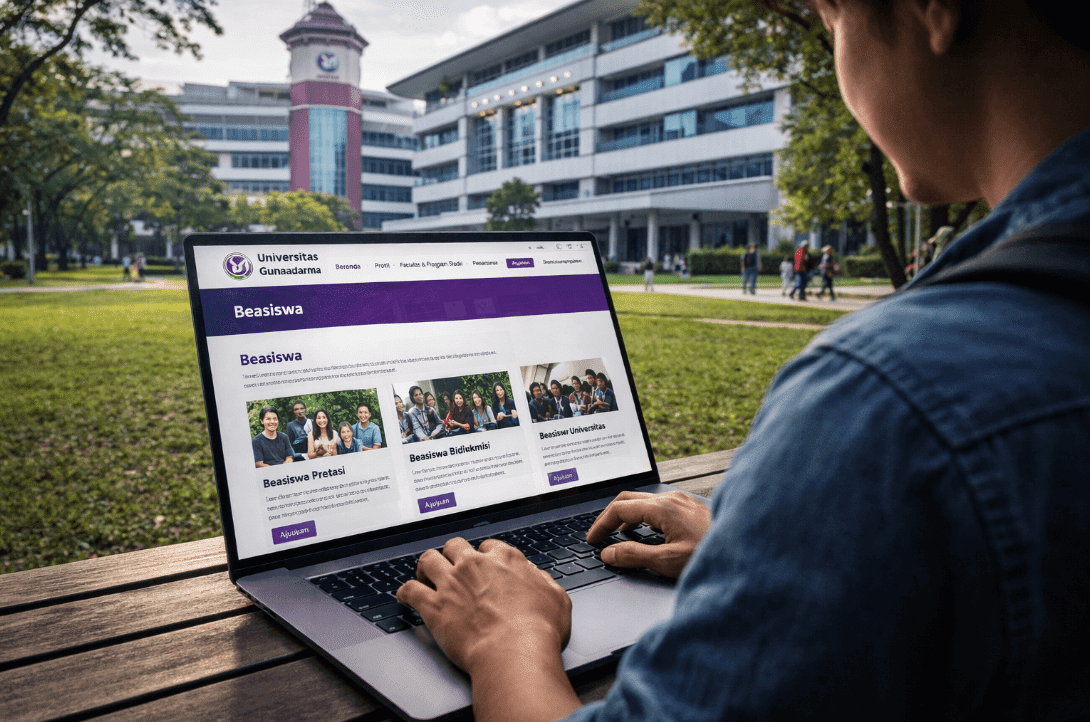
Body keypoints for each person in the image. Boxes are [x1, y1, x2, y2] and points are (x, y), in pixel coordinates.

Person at [394, 2, 1090, 719]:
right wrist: (776, 558)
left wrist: (503, 637)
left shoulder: (890, 397)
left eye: (829, 21)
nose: (837, 59)